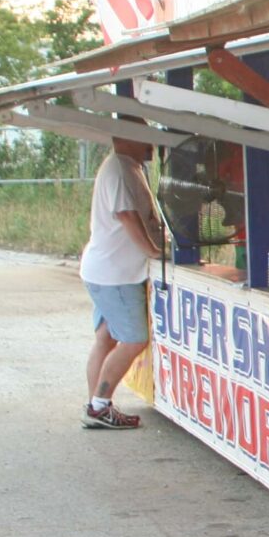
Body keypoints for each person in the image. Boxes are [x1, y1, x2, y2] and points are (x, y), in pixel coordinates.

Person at [80, 133, 164, 429]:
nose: (151, 143)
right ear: (127, 138)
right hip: (117, 275)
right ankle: (99, 406)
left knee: (105, 338)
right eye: (145, 137)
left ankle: (96, 404)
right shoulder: (119, 169)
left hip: (104, 270)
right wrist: (151, 250)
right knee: (133, 339)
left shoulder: (128, 167)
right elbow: (126, 215)